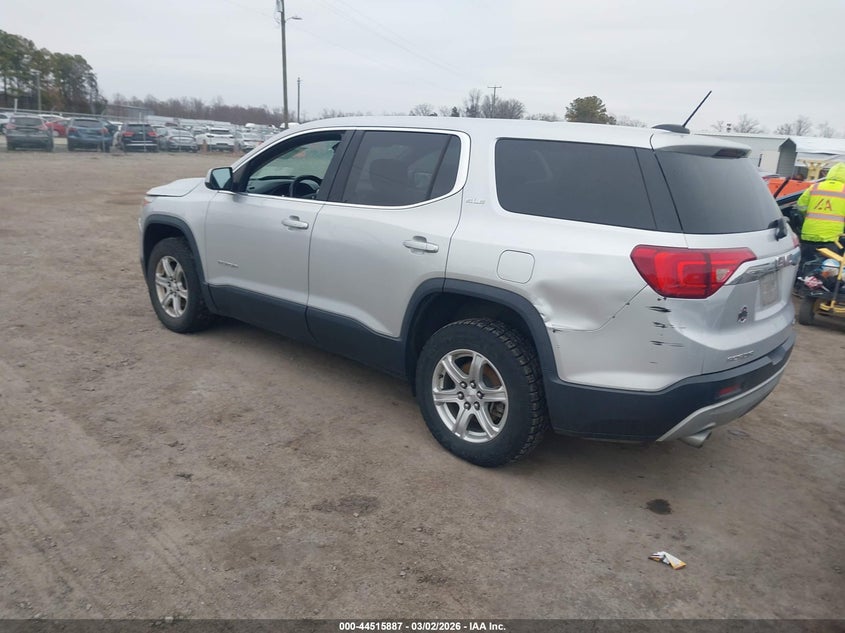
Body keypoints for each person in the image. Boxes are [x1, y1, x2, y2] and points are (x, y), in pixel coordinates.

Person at [796, 162, 845, 265]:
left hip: (808, 236)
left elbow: (800, 206)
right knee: (828, 270)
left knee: (804, 267)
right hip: (831, 239)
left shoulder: (814, 187)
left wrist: (807, 215)